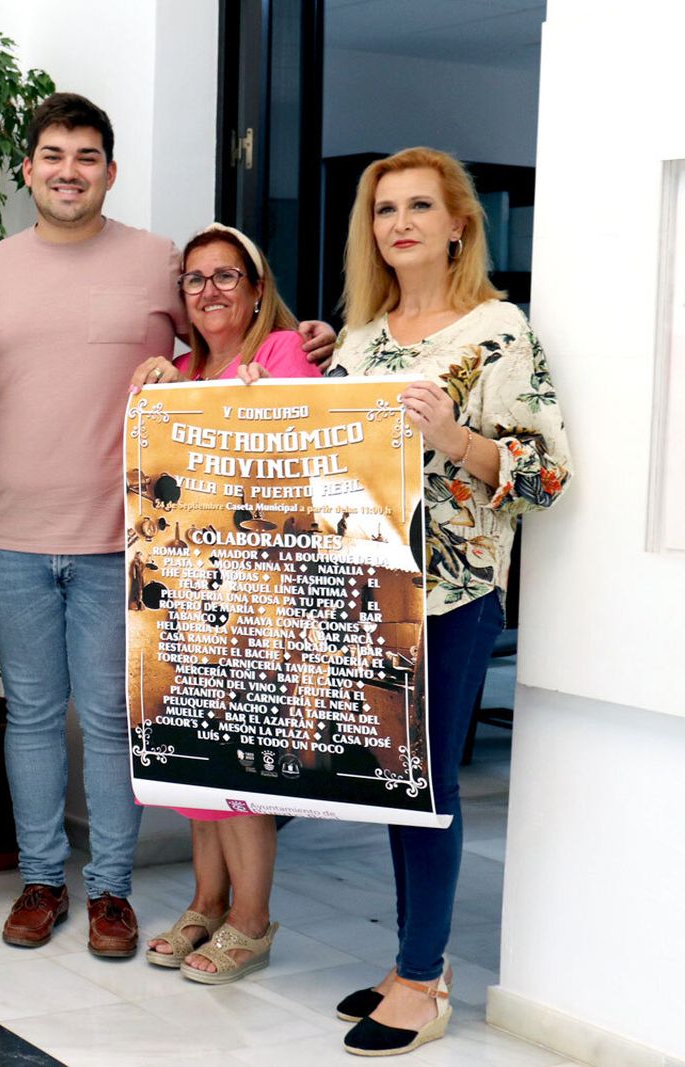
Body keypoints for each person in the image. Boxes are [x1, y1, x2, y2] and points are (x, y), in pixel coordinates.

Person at [0, 93, 334, 958]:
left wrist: (305, 337)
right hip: (10, 530)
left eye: (86, 156)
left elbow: (226, 330)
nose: (68, 170)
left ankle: (111, 891)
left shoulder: (159, 261)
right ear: (28, 169)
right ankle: (42, 879)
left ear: (110, 171)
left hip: (129, 538)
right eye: (53, 155)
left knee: (112, 721)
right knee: (31, 717)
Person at [328, 147, 570, 1056]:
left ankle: (424, 981)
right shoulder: (362, 339)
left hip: (455, 592)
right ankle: (409, 959)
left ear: (459, 223)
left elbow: (547, 475)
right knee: (395, 784)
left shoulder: (500, 332)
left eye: (420, 206)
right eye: (386, 208)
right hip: (364, 585)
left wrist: (455, 434)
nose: (401, 223)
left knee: (427, 785)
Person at [139, 223, 319, 983]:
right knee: (198, 752)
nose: (210, 290)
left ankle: (253, 919)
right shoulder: (176, 368)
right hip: (184, 588)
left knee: (242, 760)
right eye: (194, 279)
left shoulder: (281, 353)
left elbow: (304, 429)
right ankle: (206, 900)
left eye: (226, 275)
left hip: (258, 591)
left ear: (255, 287)